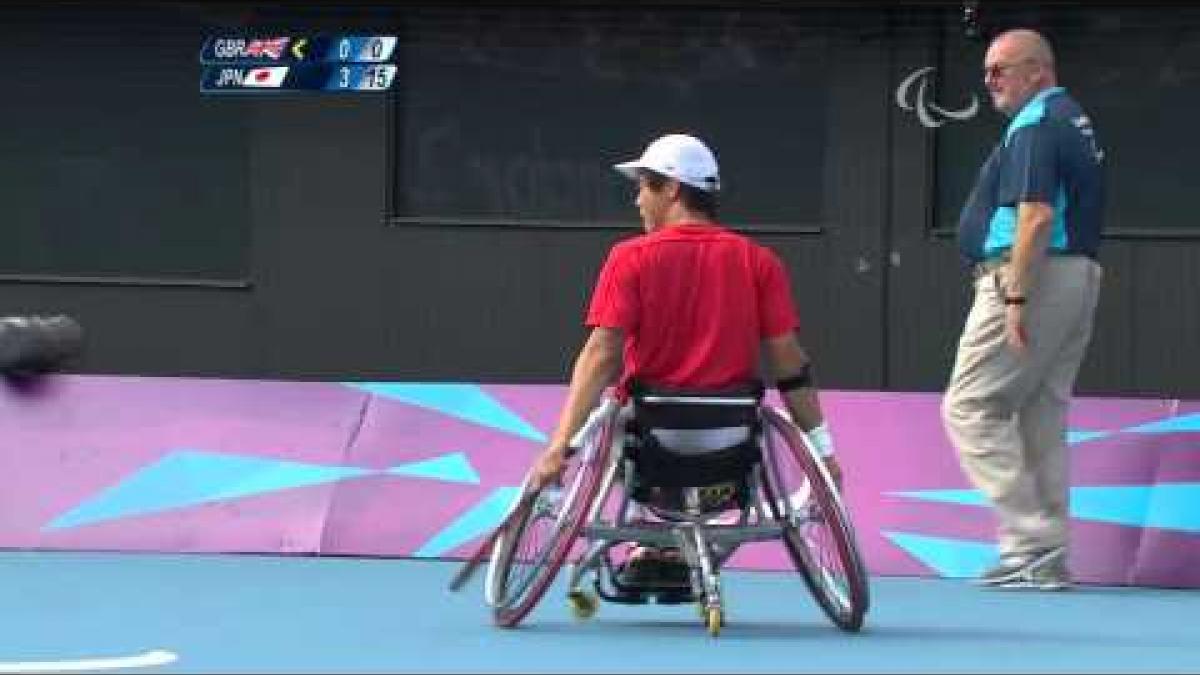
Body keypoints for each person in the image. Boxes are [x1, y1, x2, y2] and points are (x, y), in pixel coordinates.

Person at [529, 132, 841, 589]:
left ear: (672, 189)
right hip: (733, 438)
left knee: (613, 412)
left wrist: (560, 446)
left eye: (642, 186)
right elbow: (790, 364)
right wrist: (824, 452)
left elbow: (601, 355)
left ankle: (646, 532)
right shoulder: (761, 262)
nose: (636, 200)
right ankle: (663, 543)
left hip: (648, 436)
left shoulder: (628, 257)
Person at [941, 29, 1105, 591]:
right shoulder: (1073, 119)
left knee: (968, 408)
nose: (989, 81)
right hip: (1075, 275)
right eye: (987, 70)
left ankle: (1031, 540)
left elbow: (1034, 217)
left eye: (1001, 69)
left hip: (1033, 277)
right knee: (1039, 415)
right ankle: (1047, 557)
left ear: (1039, 71)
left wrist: (1015, 295)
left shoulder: (1036, 123)